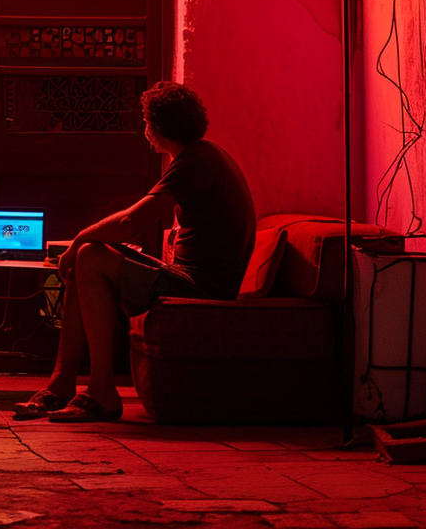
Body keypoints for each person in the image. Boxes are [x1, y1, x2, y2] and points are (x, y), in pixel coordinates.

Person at [14, 81, 256, 423]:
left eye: (146, 122)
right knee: (85, 261)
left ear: (157, 128)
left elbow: (130, 221)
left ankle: (102, 393)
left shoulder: (195, 162)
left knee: (90, 256)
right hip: (191, 277)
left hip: (200, 286)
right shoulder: (200, 155)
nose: (145, 129)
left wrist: (79, 239)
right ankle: (61, 384)